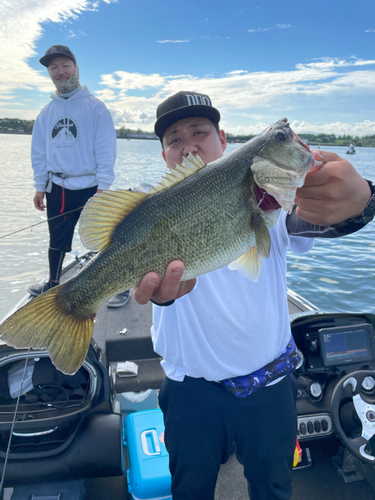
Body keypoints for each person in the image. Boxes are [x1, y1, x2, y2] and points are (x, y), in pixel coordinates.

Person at [132, 91, 375, 500]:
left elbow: (325, 218)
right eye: (174, 139)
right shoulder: (151, 207)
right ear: (163, 156)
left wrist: (363, 201)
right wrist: (160, 296)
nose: (189, 144)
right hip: (190, 392)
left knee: (274, 489)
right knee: (190, 490)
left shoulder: (274, 203)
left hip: (272, 388)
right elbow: (150, 280)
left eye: (199, 132)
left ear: (224, 140)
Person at [28, 44, 129, 308]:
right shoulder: (45, 113)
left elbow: (106, 149)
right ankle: (51, 285)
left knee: (102, 240)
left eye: (65, 65)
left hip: (92, 187)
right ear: (49, 72)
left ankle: (116, 286)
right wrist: (40, 186)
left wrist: (104, 186)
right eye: (54, 68)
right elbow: (38, 153)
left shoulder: (95, 107)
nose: (60, 72)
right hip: (57, 187)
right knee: (56, 241)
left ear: (75, 67)